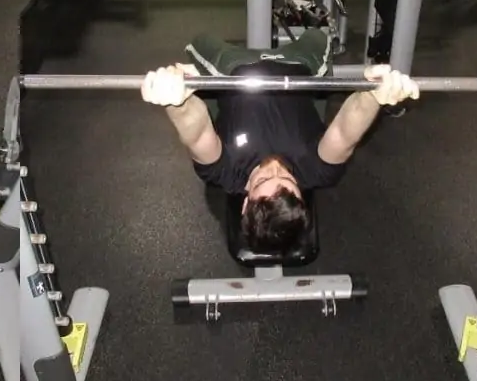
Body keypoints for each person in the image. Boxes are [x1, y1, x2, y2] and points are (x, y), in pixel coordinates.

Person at [142, 63, 419, 253]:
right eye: (287, 178)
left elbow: (197, 132)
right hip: (297, 66)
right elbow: (346, 131)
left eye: (263, 178)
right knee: (318, 34)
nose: (275, 168)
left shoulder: (222, 172)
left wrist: (175, 101)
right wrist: (373, 94)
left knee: (201, 41)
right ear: (300, 195)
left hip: (233, 70)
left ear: (244, 203)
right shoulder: (317, 171)